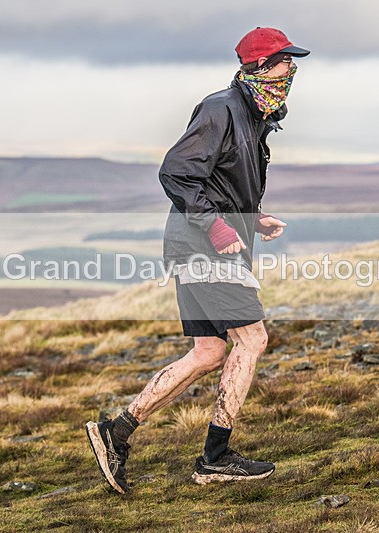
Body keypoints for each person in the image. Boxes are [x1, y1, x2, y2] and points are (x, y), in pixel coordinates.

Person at [86, 27, 310, 494]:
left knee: (209, 352)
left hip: (203, 242)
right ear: (263, 67)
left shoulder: (253, 116)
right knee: (252, 340)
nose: (293, 71)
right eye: (287, 62)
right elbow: (177, 172)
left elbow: (219, 182)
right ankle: (215, 458)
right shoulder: (220, 108)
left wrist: (252, 217)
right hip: (201, 245)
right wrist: (216, 225)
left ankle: (117, 432)